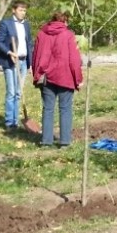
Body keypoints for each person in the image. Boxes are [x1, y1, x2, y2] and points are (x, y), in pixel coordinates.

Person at [30, 11, 83, 147]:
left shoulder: (41, 34)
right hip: (65, 77)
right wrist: (78, 79)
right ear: (65, 21)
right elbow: (74, 60)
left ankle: (46, 141)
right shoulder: (68, 35)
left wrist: (36, 75)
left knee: (48, 108)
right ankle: (64, 141)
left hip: (46, 77)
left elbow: (35, 56)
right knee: (65, 108)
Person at [0, 1, 33, 132]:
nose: (23, 12)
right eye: (21, 10)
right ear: (14, 10)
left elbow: (29, 43)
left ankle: (16, 121)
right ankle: (10, 122)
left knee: (18, 92)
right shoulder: (6, 23)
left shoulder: (26, 25)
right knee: (11, 92)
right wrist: (9, 52)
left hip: (23, 61)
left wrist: (30, 63)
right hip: (10, 61)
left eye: (24, 10)